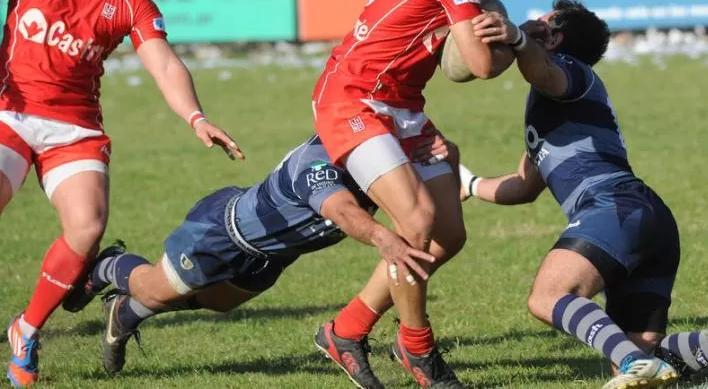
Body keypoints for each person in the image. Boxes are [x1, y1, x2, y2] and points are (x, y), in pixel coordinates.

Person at [460, 0, 708, 389]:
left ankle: (639, 359)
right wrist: (468, 184)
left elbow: (543, 72)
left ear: (555, 37)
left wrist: (518, 38)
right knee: (633, 364)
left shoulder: (570, 73)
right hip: (643, 218)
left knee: (548, 297)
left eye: (543, 23)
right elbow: (524, 185)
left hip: (613, 209)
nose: (532, 23)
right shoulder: (553, 108)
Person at [0, 0, 243, 387]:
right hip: (10, 112)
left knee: (87, 228)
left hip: (75, 127)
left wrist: (197, 118)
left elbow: (164, 64)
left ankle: (26, 329)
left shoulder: (130, 0)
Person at [310, 0, 515, 388]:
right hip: (352, 98)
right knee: (418, 221)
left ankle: (346, 330)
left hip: (400, 106)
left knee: (448, 233)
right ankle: (419, 351)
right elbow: (482, 67)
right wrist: (514, 36)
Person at [64, 133, 450, 378]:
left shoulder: (373, 161)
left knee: (218, 302)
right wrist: (385, 239)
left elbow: (424, 192)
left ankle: (126, 312)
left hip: (273, 257)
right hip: (221, 235)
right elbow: (344, 214)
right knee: (153, 289)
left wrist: (458, 174)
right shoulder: (319, 163)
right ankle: (106, 267)